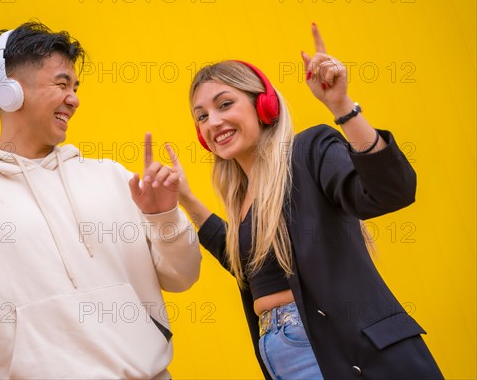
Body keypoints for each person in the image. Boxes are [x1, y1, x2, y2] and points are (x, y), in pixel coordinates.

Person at [0, 21, 201, 379]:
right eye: (62, 83)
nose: (74, 98)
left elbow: (183, 276)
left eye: (76, 87)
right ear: (9, 91)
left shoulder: (112, 177)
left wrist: (165, 218)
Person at [165, 24, 443, 379]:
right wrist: (186, 198)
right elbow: (242, 258)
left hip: (337, 349)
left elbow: (390, 191)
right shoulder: (244, 198)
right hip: (282, 356)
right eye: (201, 116)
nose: (213, 121)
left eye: (225, 104)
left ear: (262, 104)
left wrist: (342, 107)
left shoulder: (308, 151)